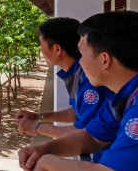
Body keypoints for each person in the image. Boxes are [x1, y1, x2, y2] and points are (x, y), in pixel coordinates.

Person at [18, 11, 138, 171]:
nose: (81, 62)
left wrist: (47, 163)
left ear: (104, 60)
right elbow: (92, 136)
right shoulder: (125, 95)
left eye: (82, 54)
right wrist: (43, 149)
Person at [15, 17, 109, 162]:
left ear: (57, 49)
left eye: (41, 45)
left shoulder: (87, 79)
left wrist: (36, 127)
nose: (40, 50)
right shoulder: (74, 74)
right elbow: (78, 112)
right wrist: (39, 116)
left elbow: (83, 133)